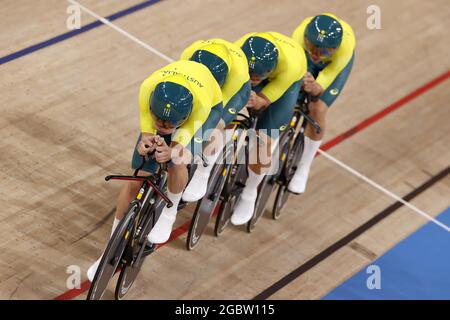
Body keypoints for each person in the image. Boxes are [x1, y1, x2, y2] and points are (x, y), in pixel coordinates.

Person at [87, 60, 223, 281]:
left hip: (208, 112)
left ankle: (170, 211)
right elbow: (147, 133)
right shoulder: (147, 89)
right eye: (159, 122)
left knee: (179, 159)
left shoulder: (200, 106)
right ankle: (111, 247)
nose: (163, 127)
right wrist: (145, 143)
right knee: (136, 179)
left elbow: (181, 143)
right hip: (174, 98)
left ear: (181, 119)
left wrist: (172, 151)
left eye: (169, 125)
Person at [230, 31, 307, 225]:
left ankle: (250, 193)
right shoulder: (238, 50)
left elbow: (262, 101)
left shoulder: (289, 67)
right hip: (255, 66)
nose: (253, 80)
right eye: (251, 76)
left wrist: (259, 99)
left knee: (263, 140)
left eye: (258, 78)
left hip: (286, 83)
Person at [289, 13, 355, 194]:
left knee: (317, 108)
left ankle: (304, 166)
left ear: (335, 48)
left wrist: (315, 86)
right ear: (305, 39)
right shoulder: (299, 36)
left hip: (332, 69)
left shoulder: (345, 48)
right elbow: (294, 67)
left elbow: (322, 83)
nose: (317, 55)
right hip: (304, 61)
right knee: (287, 96)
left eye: (325, 51)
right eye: (313, 47)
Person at [179, 39, 251, 202]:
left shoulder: (237, 74)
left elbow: (215, 110)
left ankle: (203, 172)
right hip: (196, 84)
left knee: (215, 126)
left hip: (232, 92)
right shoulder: (187, 55)